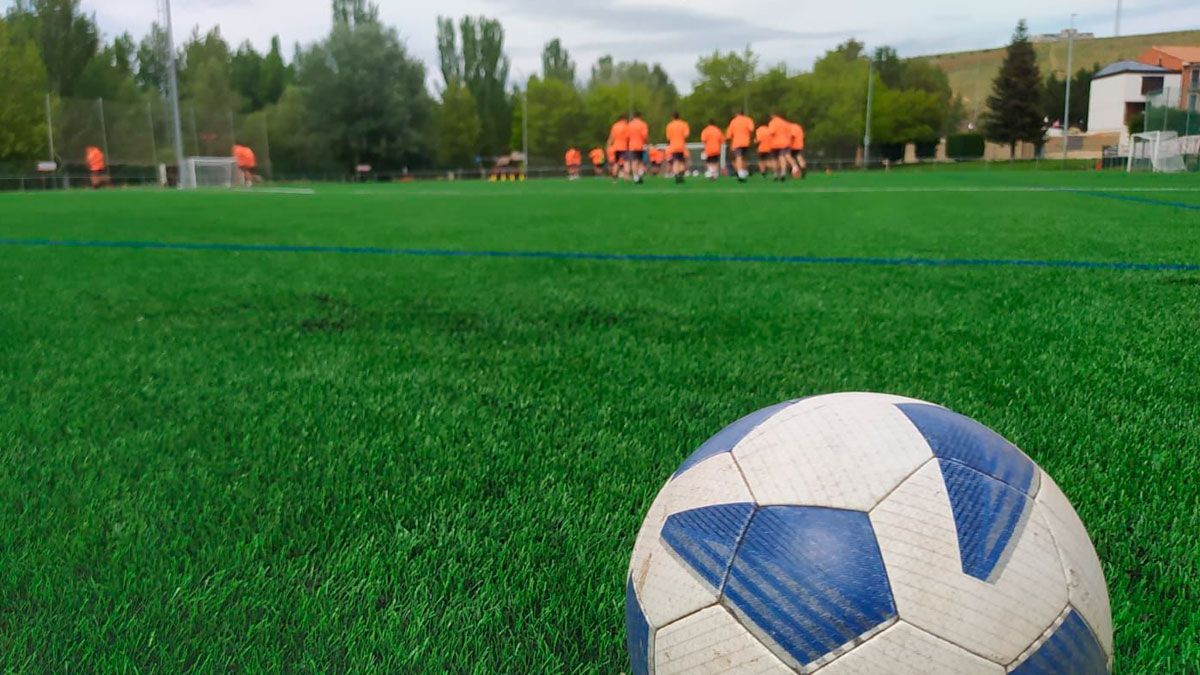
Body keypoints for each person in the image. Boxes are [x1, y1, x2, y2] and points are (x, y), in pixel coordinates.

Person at [726, 110, 755, 182]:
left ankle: (740, 172)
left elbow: (729, 135)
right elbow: (752, 129)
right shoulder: (748, 120)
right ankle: (745, 171)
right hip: (746, 141)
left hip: (737, 142)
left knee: (738, 157)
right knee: (744, 157)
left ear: (736, 114)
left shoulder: (733, 121)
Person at [664, 112, 690, 184]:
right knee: (681, 161)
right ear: (679, 117)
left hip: (673, 146)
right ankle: (681, 175)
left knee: (676, 161)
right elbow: (686, 135)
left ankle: (676, 175)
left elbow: (668, 137)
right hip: (681, 146)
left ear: (672, 117)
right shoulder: (684, 124)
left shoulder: (669, 125)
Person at [768, 112, 793, 181]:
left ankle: (775, 174)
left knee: (774, 159)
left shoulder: (773, 122)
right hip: (785, 143)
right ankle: (783, 173)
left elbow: (771, 132)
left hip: (775, 144)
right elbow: (790, 134)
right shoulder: (786, 123)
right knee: (782, 157)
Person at [626, 111, 650, 183]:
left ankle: (635, 176)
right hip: (640, 145)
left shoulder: (630, 124)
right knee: (640, 161)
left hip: (632, 145)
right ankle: (640, 174)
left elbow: (627, 136)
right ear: (640, 116)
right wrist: (647, 143)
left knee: (634, 161)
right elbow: (645, 135)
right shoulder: (643, 124)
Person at [609, 115, 629, 181]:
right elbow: (628, 137)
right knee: (626, 162)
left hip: (616, 146)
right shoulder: (626, 126)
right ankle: (626, 176)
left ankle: (614, 176)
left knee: (616, 162)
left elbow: (611, 137)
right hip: (624, 146)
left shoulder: (615, 126)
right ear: (624, 119)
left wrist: (609, 145)